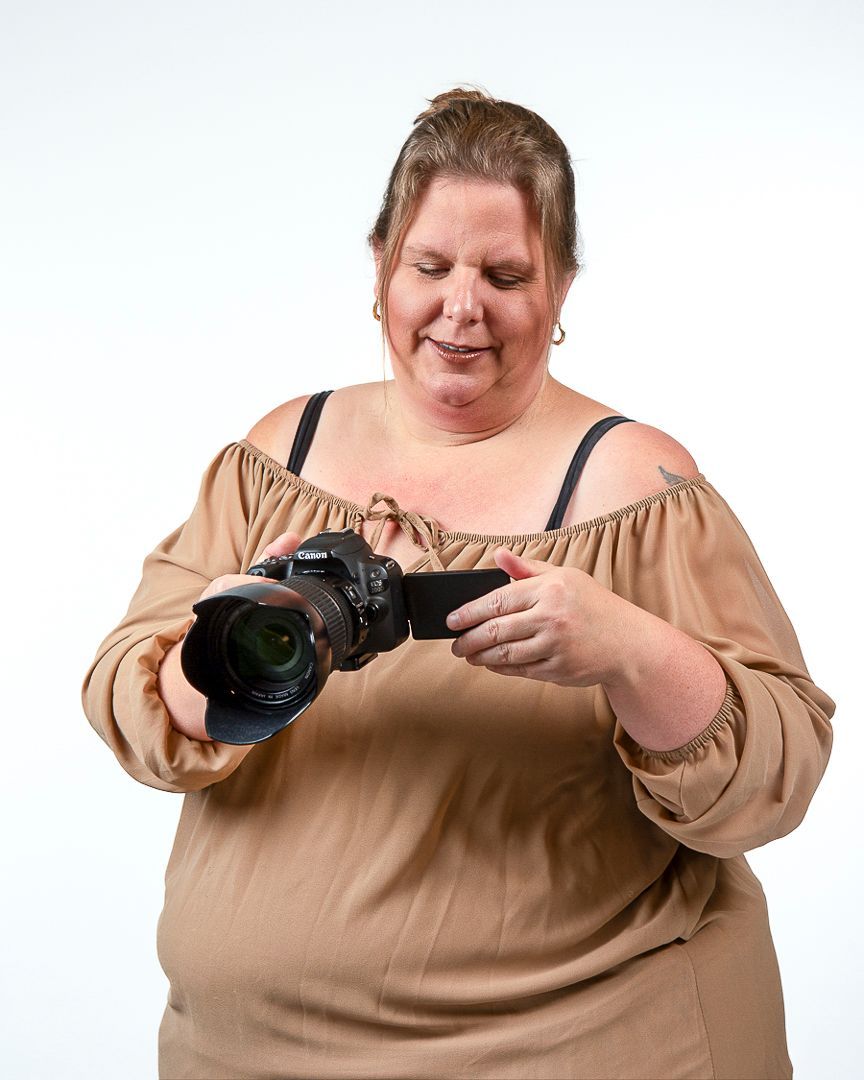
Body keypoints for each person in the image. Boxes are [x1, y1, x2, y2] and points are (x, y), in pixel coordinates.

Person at [83, 89, 834, 1079]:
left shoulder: (634, 486)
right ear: (382, 264)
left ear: (562, 285)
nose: (461, 306)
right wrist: (246, 645)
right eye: (429, 266)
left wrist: (626, 649)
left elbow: (773, 779)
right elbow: (130, 705)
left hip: (576, 1044)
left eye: (506, 273)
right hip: (244, 1051)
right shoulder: (280, 452)